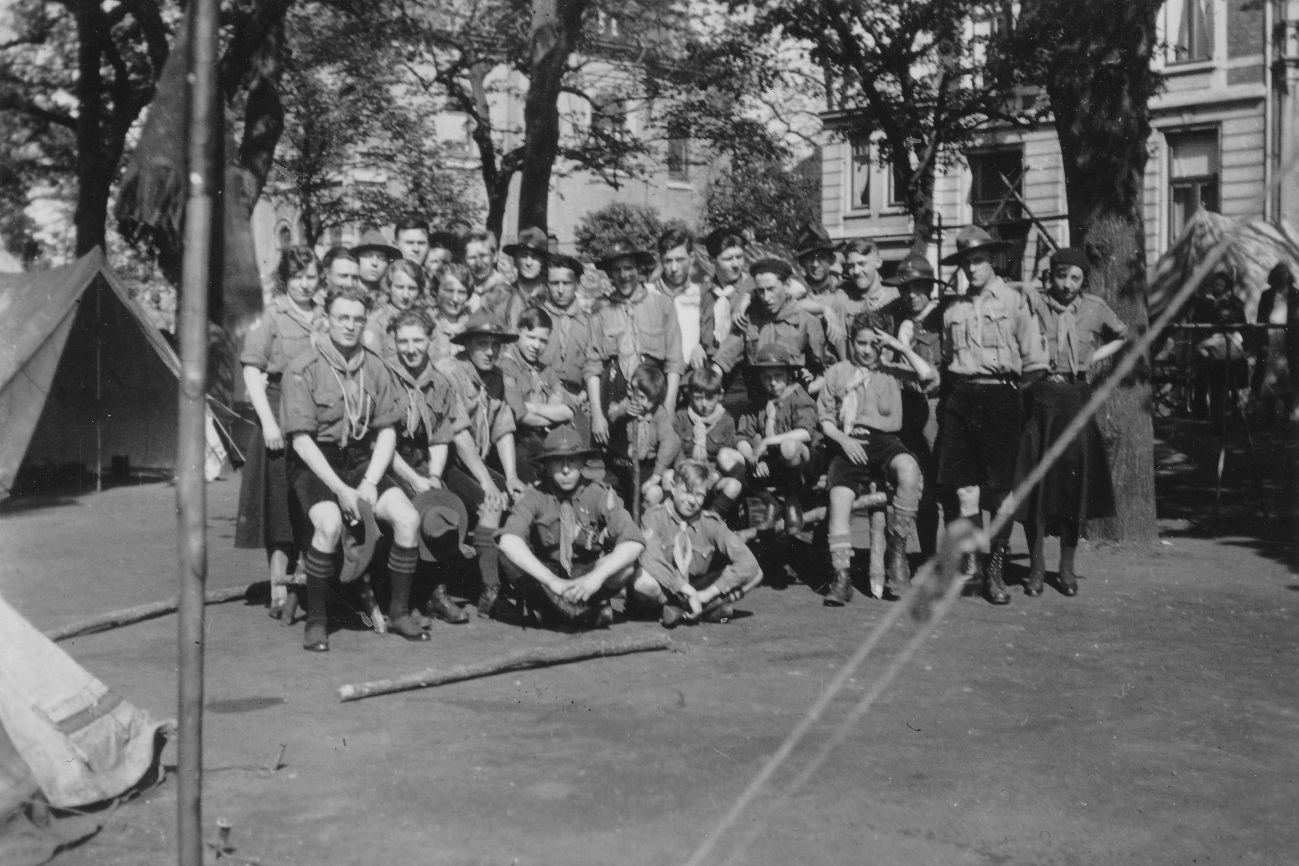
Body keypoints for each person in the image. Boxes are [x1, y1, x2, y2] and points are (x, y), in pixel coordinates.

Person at [280, 284, 428, 651]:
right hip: (317, 464)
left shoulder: (375, 367)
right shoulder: (303, 368)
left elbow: (387, 432)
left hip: (362, 460)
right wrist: (342, 490)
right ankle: (316, 621)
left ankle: (398, 612)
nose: (350, 325)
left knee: (408, 519)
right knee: (328, 524)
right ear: (326, 318)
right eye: (342, 317)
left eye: (358, 319)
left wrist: (371, 482)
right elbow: (301, 440)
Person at [937, 225, 1048, 605]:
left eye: (979, 260)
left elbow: (1035, 363)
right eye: (967, 262)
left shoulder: (1016, 302)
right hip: (961, 398)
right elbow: (948, 357)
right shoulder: (953, 308)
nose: (973, 268)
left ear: (993, 261)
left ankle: (996, 571)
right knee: (966, 491)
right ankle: (975, 568)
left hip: (1001, 397)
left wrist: (1012, 397)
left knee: (1000, 493)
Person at [1016, 247, 1126, 598]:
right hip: (1039, 401)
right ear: (1051, 276)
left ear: (1083, 280)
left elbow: (1121, 336)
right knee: (1036, 490)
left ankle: (1065, 569)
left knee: (1071, 488)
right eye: (1061, 276)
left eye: (1075, 278)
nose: (1067, 285)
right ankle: (1035, 569)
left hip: (1076, 402)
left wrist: (1094, 355)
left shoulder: (1094, 308)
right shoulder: (1034, 302)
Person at [817, 312, 937, 604]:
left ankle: (897, 549)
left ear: (883, 345)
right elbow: (826, 419)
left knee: (909, 468)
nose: (867, 350)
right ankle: (841, 577)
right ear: (851, 342)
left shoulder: (892, 371)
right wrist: (843, 440)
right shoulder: (838, 372)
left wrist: (901, 348)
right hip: (849, 442)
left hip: (884, 441)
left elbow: (928, 376)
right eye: (860, 343)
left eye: (874, 343)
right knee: (839, 498)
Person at [235, 245, 321, 620]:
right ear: (287, 279)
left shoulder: (324, 317)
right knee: (279, 505)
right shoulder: (271, 316)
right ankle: (278, 586)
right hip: (278, 415)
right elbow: (252, 370)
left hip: (315, 417)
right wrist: (269, 422)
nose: (305, 284)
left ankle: (312, 578)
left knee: (310, 500)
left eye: (312, 277)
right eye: (298, 277)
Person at [498, 426, 645, 629]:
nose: (566, 470)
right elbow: (508, 540)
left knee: (627, 565)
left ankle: (567, 611)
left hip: (585, 574)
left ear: (582, 462)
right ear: (547, 466)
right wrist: (551, 581)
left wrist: (596, 578)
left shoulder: (599, 493)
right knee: (507, 557)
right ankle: (578, 613)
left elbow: (634, 542)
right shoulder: (535, 496)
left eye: (572, 461)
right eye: (558, 462)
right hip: (548, 573)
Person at [383, 307, 475, 625]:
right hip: (386, 462)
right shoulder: (384, 378)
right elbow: (381, 442)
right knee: (405, 509)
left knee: (443, 506)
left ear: (430, 341)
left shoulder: (440, 382)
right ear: (394, 342)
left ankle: (437, 594)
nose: (410, 349)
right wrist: (413, 480)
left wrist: (433, 476)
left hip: (423, 462)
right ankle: (402, 600)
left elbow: (439, 438)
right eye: (403, 341)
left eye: (417, 341)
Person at [434, 311, 530, 616]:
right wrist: (488, 484)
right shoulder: (450, 371)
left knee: (519, 498)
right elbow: (459, 437)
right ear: (467, 345)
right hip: (445, 460)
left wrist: (511, 476)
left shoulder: (497, 376)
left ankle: (510, 578)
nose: (490, 351)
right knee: (489, 501)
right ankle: (490, 590)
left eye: (495, 345)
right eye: (482, 344)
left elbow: (503, 428)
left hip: (474, 460)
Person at [629, 460, 763, 628]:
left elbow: (748, 561)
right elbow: (651, 559)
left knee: (756, 573)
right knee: (641, 581)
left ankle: (692, 609)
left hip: (698, 587)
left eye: (699, 495)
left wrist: (706, 594)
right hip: (666, 586)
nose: (692, 500)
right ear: (673, 487)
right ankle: (701, 611)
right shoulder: (653, 517)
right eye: (686, 492)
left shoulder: (711, 522)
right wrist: (684, 589)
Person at [585, 236, 685, 443]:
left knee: (653, 454)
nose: (624, 275)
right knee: (616, 461)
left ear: (639, 270)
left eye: (629, 268)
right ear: (610, 274)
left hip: (653, 391)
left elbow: (674, 361)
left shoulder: (662, 305)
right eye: (617, 270)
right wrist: (597, 415)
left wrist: (669, 406)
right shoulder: (600, 309)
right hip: (613, 395)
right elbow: (592, 365)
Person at [883, 253, 943, 557]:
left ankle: (965, 559)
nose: (912, 295)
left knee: (949, 485)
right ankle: (928, 554)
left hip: (936, 409)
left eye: (918, 288)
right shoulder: (894, 316)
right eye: (905, 289)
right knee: (919, 487)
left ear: (930, 287)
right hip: (904, 408)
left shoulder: (942, 316)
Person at [713, 257, 828, 402]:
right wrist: (710, 384)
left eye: (771, 289)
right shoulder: (749, 321)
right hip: (757, 403)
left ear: (787, 285)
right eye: (761, 291)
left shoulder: (808, 322)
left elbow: (825, 370)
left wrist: (807, 389)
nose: (766, 298)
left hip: (794, 403)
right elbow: (723, 358)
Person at [736, 343, 820, 534]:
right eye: (767, 377)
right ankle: (771, 503)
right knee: (727, 456)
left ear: (788, 375)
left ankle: (792, 500)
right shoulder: (758, 403)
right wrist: (753, 458)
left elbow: (807, 432)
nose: (772, 382)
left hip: (804, 460)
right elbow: (742, 435)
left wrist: (767, 441)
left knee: (788, 446)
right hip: (775, 461)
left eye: (778, 376)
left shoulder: (798, 396)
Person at [498, 306, 579, 480]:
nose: (536, 345)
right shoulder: (507, 366)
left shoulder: (545, 371)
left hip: (544, 438)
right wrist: (550, 413)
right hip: (519, 441)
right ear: (518, 332)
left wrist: (532, 407)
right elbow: (519, 416)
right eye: (531, 337)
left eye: (543, 340)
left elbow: (569, 410)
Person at [668, 366, 745, 520]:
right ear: (689, 395)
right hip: (686, 475)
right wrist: (689, 476)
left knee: (733, 485)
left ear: (720, 395)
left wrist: (714, 477)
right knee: (667, 476)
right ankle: (670, 520)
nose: (704, 404)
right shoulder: (682, 417)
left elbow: (725, 459)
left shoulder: (726, 421)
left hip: (711, 478)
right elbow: (676, 451)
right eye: (698, 398)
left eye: (710, 398)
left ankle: (709, 519)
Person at [602, 363, 681, 511]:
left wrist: (657, 475)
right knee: (608, 501)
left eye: (650, 400)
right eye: (642, 397)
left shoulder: (659, 413)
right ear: (631, 389)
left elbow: (669, 441)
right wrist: (625, 413)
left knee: (645, 498)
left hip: (644, 469)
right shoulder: (625, 405)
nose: (644, 403)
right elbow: (612, 416)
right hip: (619, 467)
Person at [650, 227, 710, 371]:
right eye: (668, 261)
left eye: (680, 259)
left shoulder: (701, 293)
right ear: (660, 260)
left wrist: (701, 346)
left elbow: (709, 333)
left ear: (692, 258)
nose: (674, 268)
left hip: (690, 375)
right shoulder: (648, 293)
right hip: (656, 376)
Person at [827, 238, 900, 356]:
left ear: (878, 262)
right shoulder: (842, 297)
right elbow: (803, 304)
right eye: (851, 265)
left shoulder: (895, 297)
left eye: (862, 264)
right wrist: (826, 310)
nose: (856, 271)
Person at [538, 253, 591, 402]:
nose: (560, 290)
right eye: (554, 283)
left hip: (579, 399)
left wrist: (581, 397)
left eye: (566, 283)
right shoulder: (536, 318)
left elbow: (595, 368)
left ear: (578, 283)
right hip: (542, 396)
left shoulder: (589, 323)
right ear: (546, 284)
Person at [1253, 262, 1297, 421]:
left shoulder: (1295, 294)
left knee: (1289, 374)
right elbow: (1260, 320)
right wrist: (1262, 342)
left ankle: (1288, 413)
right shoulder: (1267, 295)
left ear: (1289, 275)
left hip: (1289, 341)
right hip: (1271, 338)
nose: (1283, 276)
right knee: (1269, 374)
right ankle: (1269, 413)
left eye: (1285, 273)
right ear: (1274, 276)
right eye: (1279, 273)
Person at [362, 259, 427, 364]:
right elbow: (373, 365)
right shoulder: (376, 322)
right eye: (399, 287)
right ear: (389, 287)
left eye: (412, 288)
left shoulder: (424, 319)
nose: (405, 295)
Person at [427, 262, 473, 361]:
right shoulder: (425, 322)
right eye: (449, 291)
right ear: (435, 291)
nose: (455, 299)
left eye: (461, 292)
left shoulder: (474, 324)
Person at [464, 228, 512, 310]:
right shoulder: (461, 291)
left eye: (483, 255)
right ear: (463, 260)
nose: (479, 263)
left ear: (495, 256)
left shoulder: (507, 294)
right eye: (472, 257)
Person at [501, 226, 551, 306]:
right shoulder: (504, 296)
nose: (528, 263)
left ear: (543, 262)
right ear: (515, 261)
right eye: (524, 255)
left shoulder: (551, 297)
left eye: (535, 256)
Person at [351, 229, 401, 302]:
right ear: (357, 260)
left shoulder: (391, 298)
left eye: (381, 258)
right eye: (368, 256)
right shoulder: (345, 295)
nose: (375, 263)